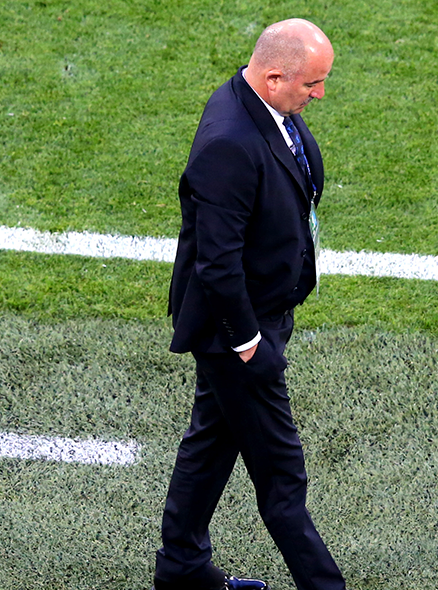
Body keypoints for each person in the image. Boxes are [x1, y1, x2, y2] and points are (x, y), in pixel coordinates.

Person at [154, 18, 345, 590]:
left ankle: (182, 571)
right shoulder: (230, 144)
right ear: (273, 76)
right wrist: (248, 345)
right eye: (312, 83)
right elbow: (216, 262)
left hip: (262, 314)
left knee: (211, 446)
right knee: (282, 480)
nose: (320, 93)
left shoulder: (260, 105)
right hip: (237, 332)